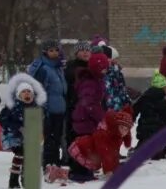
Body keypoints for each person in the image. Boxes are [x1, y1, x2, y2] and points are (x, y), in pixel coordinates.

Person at [0, 73, 47, 188]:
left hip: (28, 137)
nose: (27, 94)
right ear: (19, 95)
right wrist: (17, 128)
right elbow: (3, 120)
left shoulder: (35, 107)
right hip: (12, 135)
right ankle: (13, 179)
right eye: (24, 92)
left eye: (29, 92)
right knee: (20, 153)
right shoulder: (13, 107)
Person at [69, 52, 110, 181]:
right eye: (102, 69)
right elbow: (88, 102)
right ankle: (79, 171)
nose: (105, 72)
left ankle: (86, 169)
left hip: (88, 119)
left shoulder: (97, 80)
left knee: (89, 145)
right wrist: (99, 115)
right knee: (84, 146)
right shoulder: (90, 82)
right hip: (84, 119)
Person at [27, 39, 67, 168]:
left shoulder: (58, 68)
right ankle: (49, 161)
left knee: (57, 137)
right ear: (45, 52)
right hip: (49, 110)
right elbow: (39, 90)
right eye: (51, 50)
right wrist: (44, 108)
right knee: (50, 138)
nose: (54, 53)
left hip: (59, 108)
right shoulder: (44, 69)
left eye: (56, 50)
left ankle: (55, 160)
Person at [69, 109, 133, 179]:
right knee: (83, 175)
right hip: (81, 150)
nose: (123, 131)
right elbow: (105, 153)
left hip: (90, 153)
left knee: (91, 169)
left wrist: (115, 168)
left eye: (126, 130)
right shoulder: (104, 134)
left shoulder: (117, 136)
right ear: (116, 125)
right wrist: (109, 171)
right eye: (121, 127)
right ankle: (72, 173)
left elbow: (114, 153)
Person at [133, 71, 166, 160]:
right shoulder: (162, 99)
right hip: (158, 128)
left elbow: (135, 108)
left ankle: (139, 151)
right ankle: (156, 153)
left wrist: (132, 117)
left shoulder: (145, 97)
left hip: (143, 127)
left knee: (144, 141)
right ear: (162, 87)